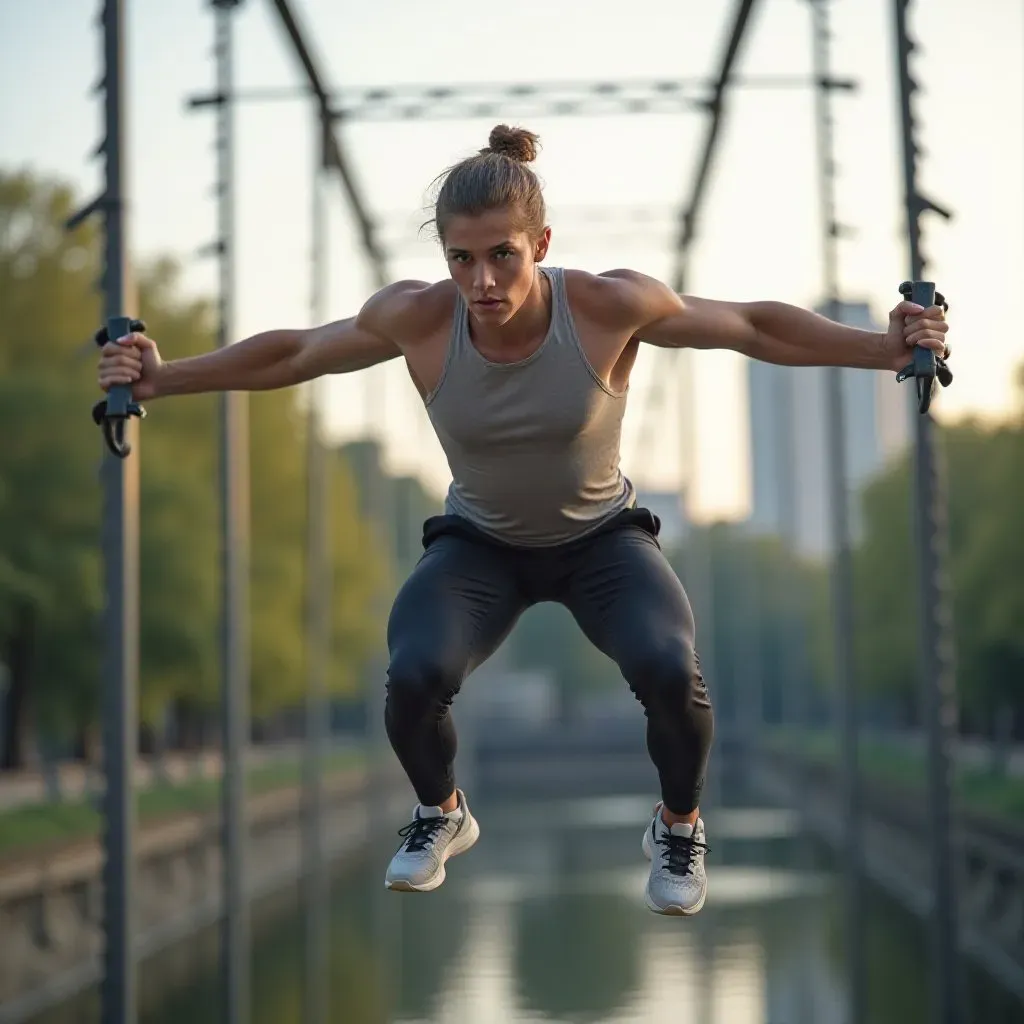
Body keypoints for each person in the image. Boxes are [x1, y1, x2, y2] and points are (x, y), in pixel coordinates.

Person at [97, 124, 951, 917]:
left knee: (669, 669)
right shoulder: (420, 317)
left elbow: (752, 327)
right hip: (482, 548)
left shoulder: (611, 306)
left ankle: (679, 828)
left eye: (502, 256)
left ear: (540, 246)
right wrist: (163, 380)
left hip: (603, 542)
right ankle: (442, 812)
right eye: (460, 259)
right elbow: (293, 354)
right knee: (412, 676)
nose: (482, 283)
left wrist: (880, 348)